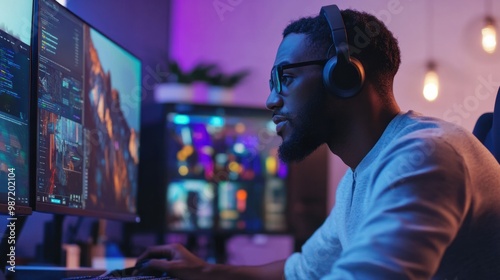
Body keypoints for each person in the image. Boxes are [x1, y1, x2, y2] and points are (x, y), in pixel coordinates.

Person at [135, 5, 500, 280]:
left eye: (286, 78)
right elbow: (302, 270)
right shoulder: (358, 180)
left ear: (344, 74)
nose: (270, 101)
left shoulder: (425, 156)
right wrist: (204, 271)